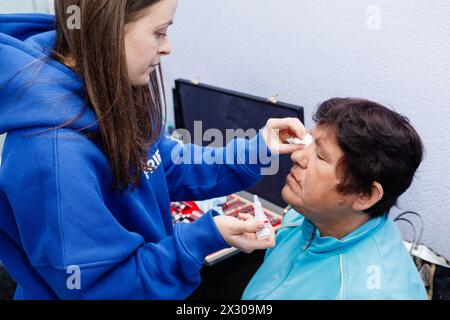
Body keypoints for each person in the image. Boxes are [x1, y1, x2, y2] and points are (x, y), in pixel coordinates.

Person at [0, 0, 306, 300]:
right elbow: (105, 288)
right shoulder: (53, 159)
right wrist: (200, 239)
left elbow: (164, 163)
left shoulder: (110, 87)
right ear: (108, 29)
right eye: (159, 32)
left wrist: (255, 149)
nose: (167, 47)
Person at [243, 98, 428, 300]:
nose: (297, 156)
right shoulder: (307, 217)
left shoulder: (364, 293)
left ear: (365, 195)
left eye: (321, 156)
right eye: (309, 142)